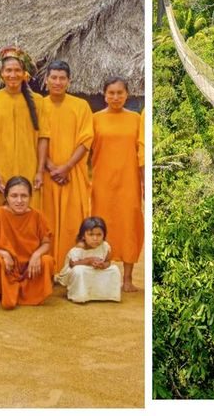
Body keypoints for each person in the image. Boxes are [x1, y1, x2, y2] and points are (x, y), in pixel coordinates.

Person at [0, 47, 50, 207]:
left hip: (30, 168)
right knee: (2, 211)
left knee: (30, 211)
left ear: (25, 73)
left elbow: (43, 137)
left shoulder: (38, 101)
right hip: (2, 168)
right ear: (1, 73)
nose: (13, 75)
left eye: (17, 70)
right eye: (8, 70)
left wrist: (39, 171)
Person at [91, 77, 143, 292]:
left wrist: (144, 183)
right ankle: (104, 275)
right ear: (104, 95)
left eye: (119, 93)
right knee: (103, 225)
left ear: (127, 95)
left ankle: (127, 278)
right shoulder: (94, 119)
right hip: (102, 181)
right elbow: (85, 150)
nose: (115, 97)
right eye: (111, 93)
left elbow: (141, 153)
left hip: (128, 182)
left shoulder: (136, 119)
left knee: (128, 224)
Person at [40, 61, 94, 267]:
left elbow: (86, 139)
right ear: (46, 80)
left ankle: (71, 267)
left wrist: (66, 167)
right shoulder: (39, 105)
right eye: (53, 77)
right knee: (47, 222)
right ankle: (48, 268)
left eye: (62, 78)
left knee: (73, 222)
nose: (57, 82)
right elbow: (34, 138)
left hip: (73, 174)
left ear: (69, 81)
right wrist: (50, 165)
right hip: (46, 174)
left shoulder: (81, 106)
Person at [0, 176, 55, 309]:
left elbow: (46, 242)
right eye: (14, 196)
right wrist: (3, 254)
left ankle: (27, 291)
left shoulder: (37, 216)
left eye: (24, 196)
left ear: (30, 197)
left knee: (47, 261)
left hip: (29, 269)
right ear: (6, 197)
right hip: (6, 268)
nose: (19, 201)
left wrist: (36, 255)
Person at [55, 216, 121, 303]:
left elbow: (108, 261)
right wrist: (88, 261)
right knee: (78, 271)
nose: (95, 238)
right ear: (83, 236)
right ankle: (79, 294)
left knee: (115, 269)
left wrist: (103, 265)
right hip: (80, 270)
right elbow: (72, 265)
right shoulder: (80, 247)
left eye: (99, 235)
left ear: (104, 235)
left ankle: (105, 295)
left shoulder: (105, 246)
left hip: (96, 271)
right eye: (91, 235)